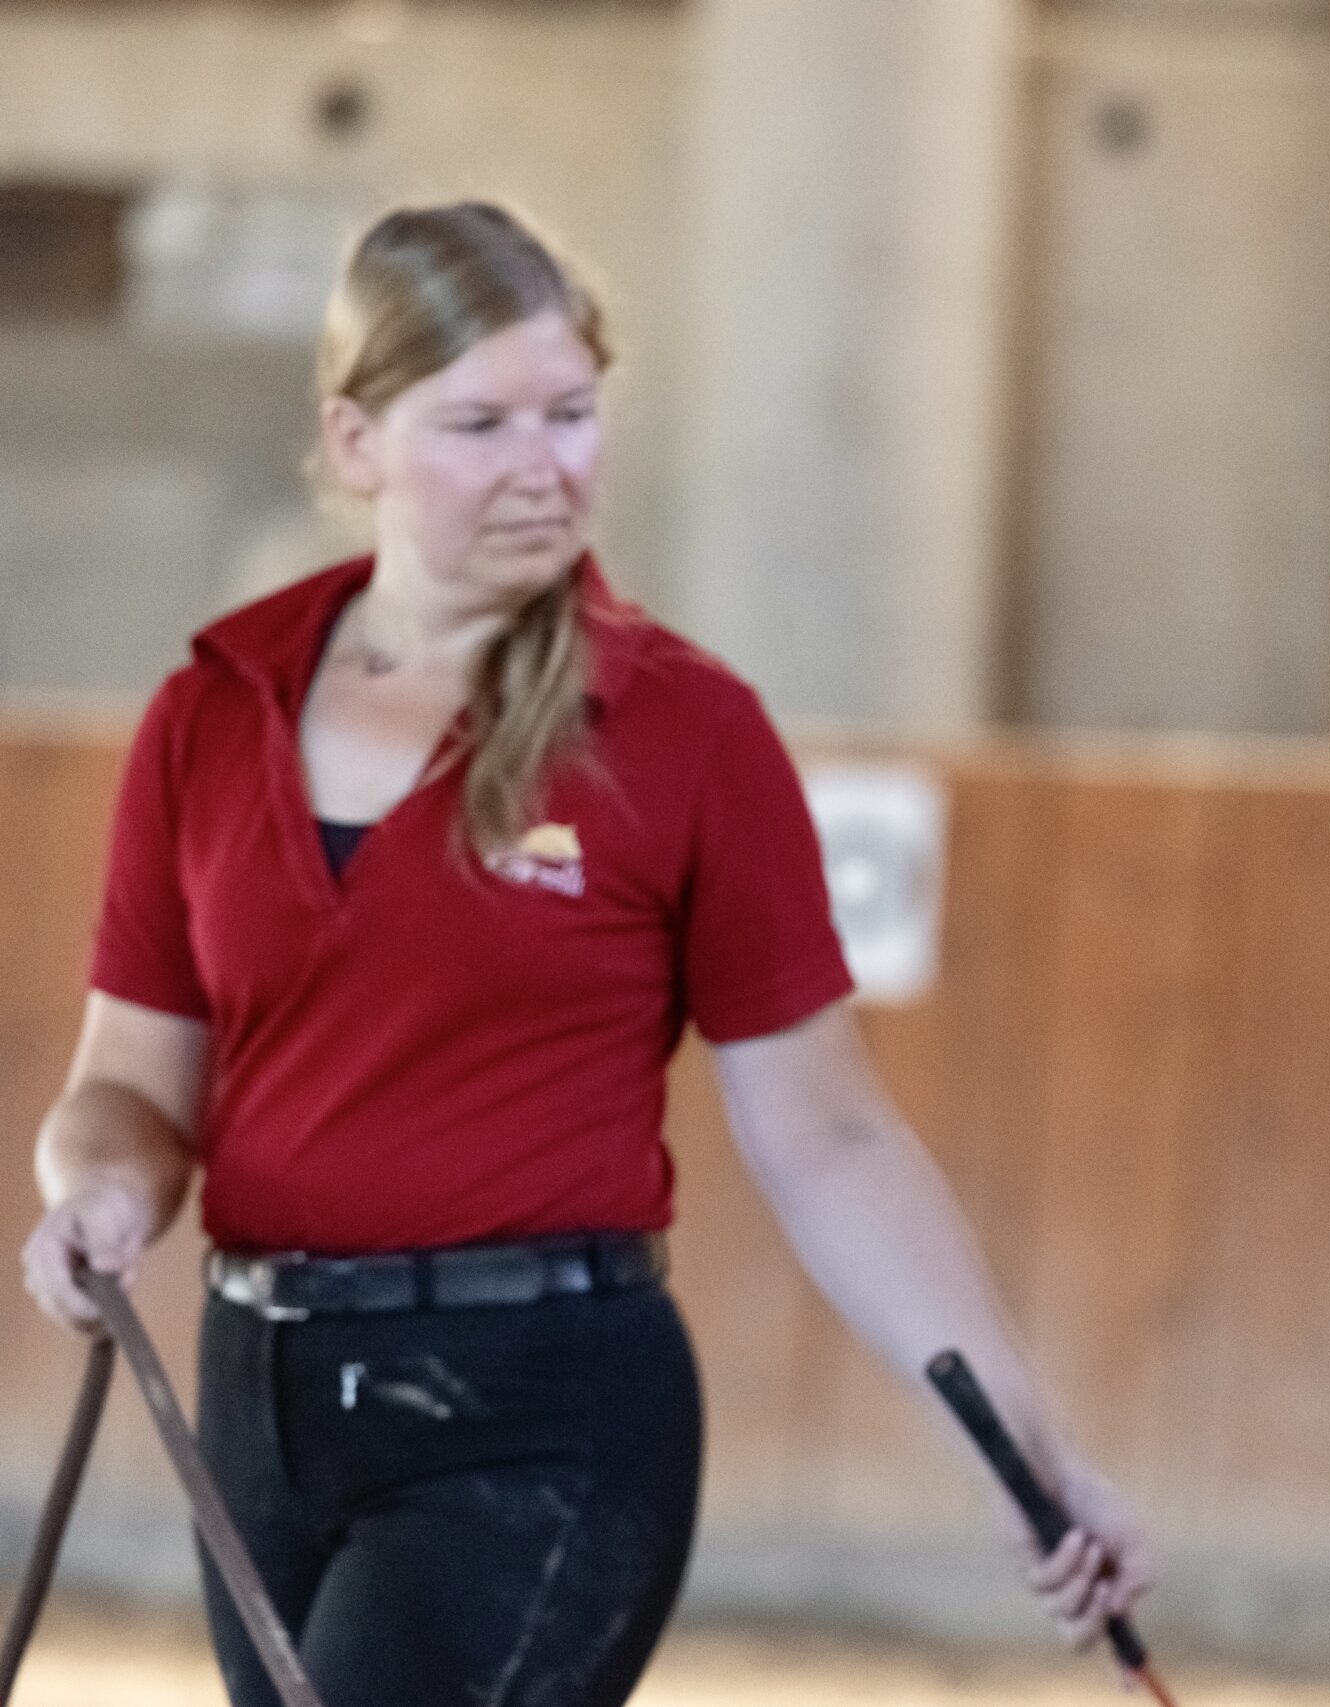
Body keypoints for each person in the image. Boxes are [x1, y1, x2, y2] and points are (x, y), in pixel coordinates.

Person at [16, 202, 1153, 1707]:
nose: (543, 463)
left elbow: (828, 1133)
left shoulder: (687, 731)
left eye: (570, 411)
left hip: (543, 1418)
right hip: (265, 1414)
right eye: (480, 422)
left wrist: (1034, 1446)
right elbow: (130, 1086)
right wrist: (91, 1183)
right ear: (357, 442)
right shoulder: (208, 714)